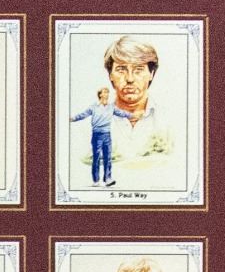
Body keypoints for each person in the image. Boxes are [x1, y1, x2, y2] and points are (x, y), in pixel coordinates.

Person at [102, 35, 173, 165]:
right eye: (121, 70)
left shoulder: (169, 121)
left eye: (138, 70)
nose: (130, 79)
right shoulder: (94, 123)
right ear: (110, 75)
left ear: (151, 74)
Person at [69, 85, 130, 186]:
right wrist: (72, 119)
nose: (107, 94)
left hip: (107, 135)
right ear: (100, 95)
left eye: (107, 92)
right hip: (97, 135)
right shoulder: (93, 106)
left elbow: (121, 113)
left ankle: (108, 179)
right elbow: (83, 114)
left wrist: (132, 115)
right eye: (105, 92)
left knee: (108, 158)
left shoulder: (111, 107)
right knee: (96, 158)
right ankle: (96, 180)